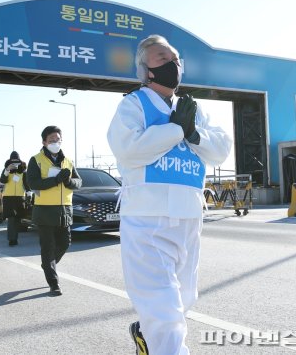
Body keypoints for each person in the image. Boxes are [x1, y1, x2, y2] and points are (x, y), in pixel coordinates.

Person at [107, 35, 232, 355]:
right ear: (145, 70)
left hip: (189, 217)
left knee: (183, 298)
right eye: (161, 58)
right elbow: (129, 150)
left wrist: (192, 131)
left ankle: (147, 337)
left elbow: (220, 150)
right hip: (147, 218)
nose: (171, 64)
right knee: (162, 305)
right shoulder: (134, 104)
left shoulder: (191, 109)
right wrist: (177, 130)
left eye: (175, 59)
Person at [27, 126, 82, 296]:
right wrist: (56, 180)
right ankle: (53, 283)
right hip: (44, 210)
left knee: (65, 243)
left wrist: (68, 182)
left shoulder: (68, 161)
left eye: (57, 140)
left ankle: (48, 265)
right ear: (44, 142)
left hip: (65, 209)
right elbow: (33, 183)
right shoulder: (35, 160)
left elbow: (79, 182)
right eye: (51, 140)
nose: (55, 143)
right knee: (48, 247)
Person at [0, 151, 30, 246]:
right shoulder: (6, 170)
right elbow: (3, 181)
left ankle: (14, 236)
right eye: (13, 161)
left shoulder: (23, 171)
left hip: (20, 197)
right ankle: (12, 239)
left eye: (17, 161)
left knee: (18, 218)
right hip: (8, 197)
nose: (15, 164)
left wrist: (28, 194)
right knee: (11, 218)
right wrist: (7, 170)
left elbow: (26, 183)